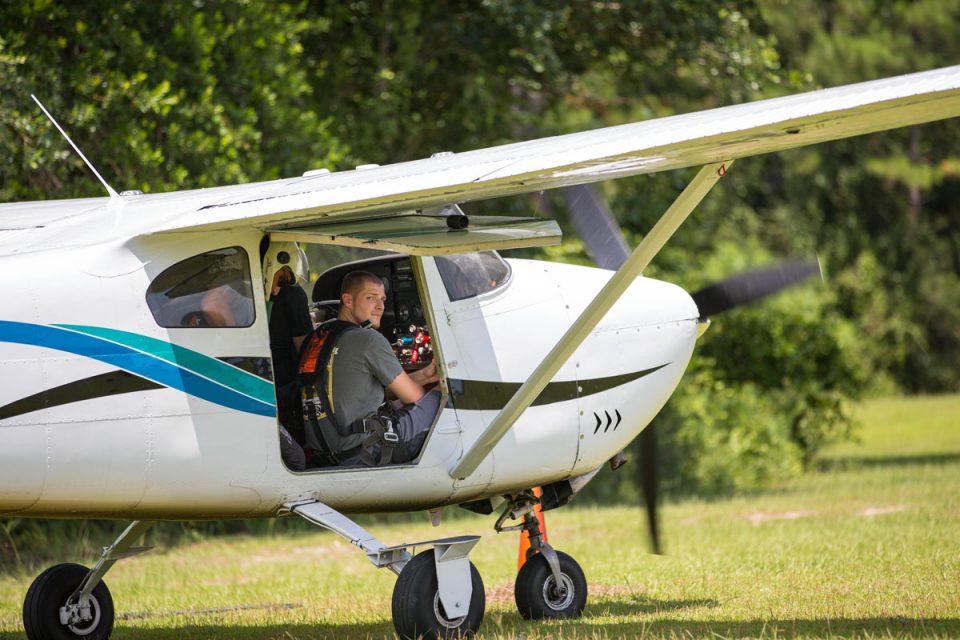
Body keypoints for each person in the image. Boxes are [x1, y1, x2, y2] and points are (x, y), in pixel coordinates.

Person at [328, 270, 440, 465]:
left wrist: (424, 375)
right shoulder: (368, 339)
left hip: (330, 451)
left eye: (383, 299)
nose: (380, 306)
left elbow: (365, 393)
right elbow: (415, 399)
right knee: (443, 398)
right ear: (347, 300)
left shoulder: (322, 335)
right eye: (370, 298)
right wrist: (436, 384)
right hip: (366, 450)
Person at [262, 241, 312, 471]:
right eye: (284, 275)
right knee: (296, 460)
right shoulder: (293, 296)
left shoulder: (250, 297)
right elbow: (306, 352)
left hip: (264, 384)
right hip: (283, 389)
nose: (285, 282)